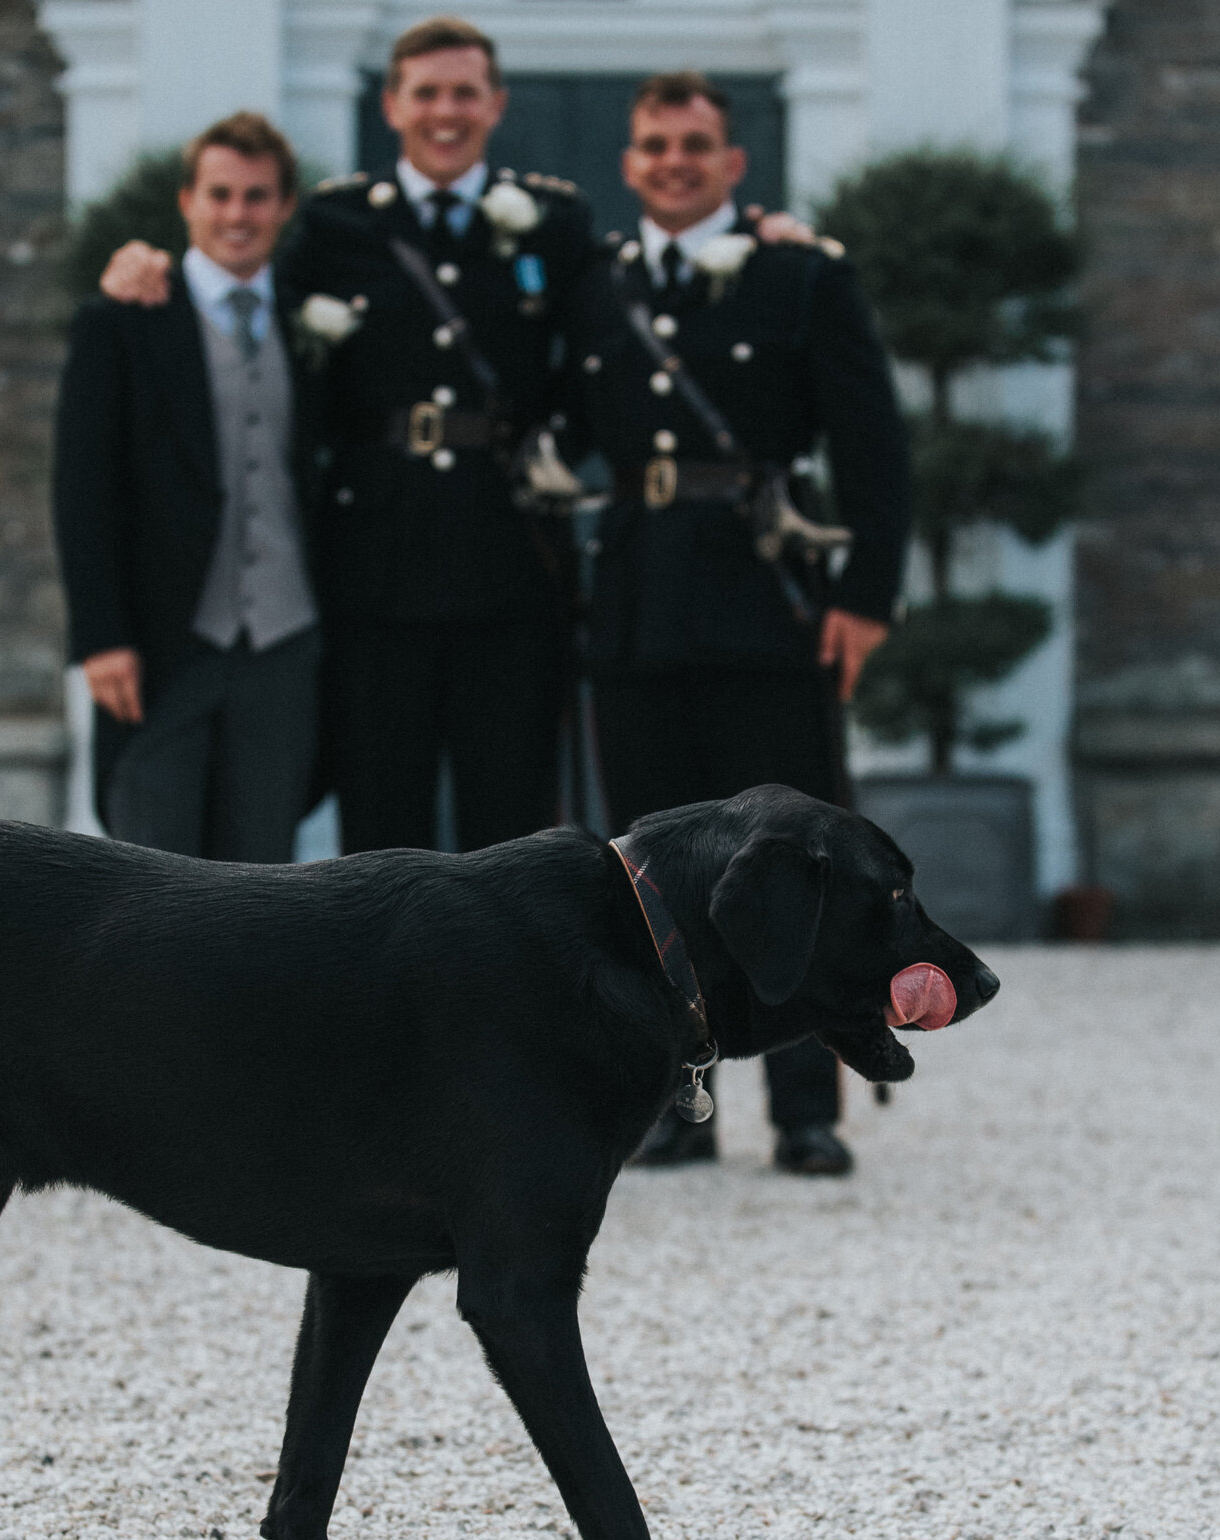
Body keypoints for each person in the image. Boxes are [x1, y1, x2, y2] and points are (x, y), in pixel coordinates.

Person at [97, 17, 596, 855]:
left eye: (464, 93)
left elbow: (609, 350)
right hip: (374, 572)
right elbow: (232, 303)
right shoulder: (333, 228)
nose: (446, 111)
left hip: (509, 563)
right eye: (427, 93)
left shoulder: (555, 221)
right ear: (392, 104)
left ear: (496, 104)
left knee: (512, 831)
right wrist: (136, 267)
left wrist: (773, 241)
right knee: (382, 829)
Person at [570, 72, 911, 1175]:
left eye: (696, 144)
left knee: (801, 864)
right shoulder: (592, 287)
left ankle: (808, 1107)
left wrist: (864, 595)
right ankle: (680, 1105)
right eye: (655, 143)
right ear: (628, 166)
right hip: (632, 607)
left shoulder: (800, 277)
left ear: (733, 163)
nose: (675, 159)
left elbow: (874, 446)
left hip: (767, 607)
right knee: (649, 877)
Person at [52, 112, 323, 862]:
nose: (238, 215)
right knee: (154, 880)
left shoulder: (314, 316)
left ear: (284, 206)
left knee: (265, 886)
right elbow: (82, 489)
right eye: (221, 194)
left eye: (257, 196)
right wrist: (101, 636)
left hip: (285, 645)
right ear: (187, 202)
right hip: (164, 642)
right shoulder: (121, 321)